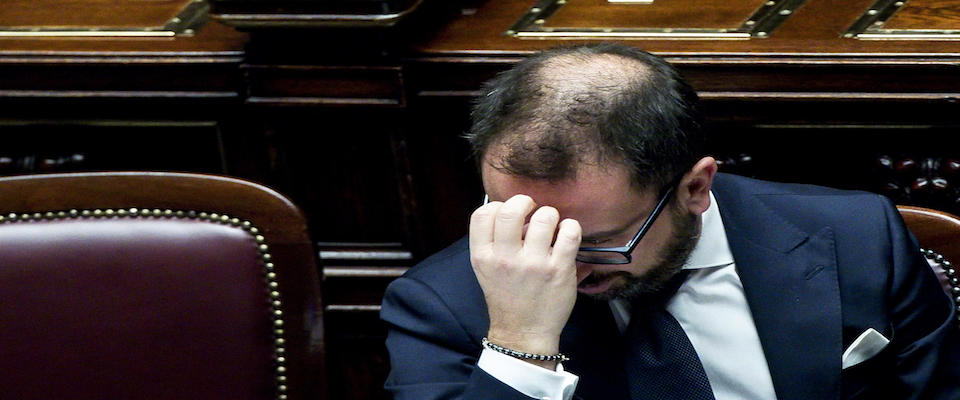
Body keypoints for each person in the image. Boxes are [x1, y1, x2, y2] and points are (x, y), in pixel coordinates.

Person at [380, 43, 960, 400]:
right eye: (526, 223)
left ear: (695, 187)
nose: (556, 263)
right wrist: (520, 344)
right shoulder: (440, 304)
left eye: (598, 242)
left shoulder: (858, 235)